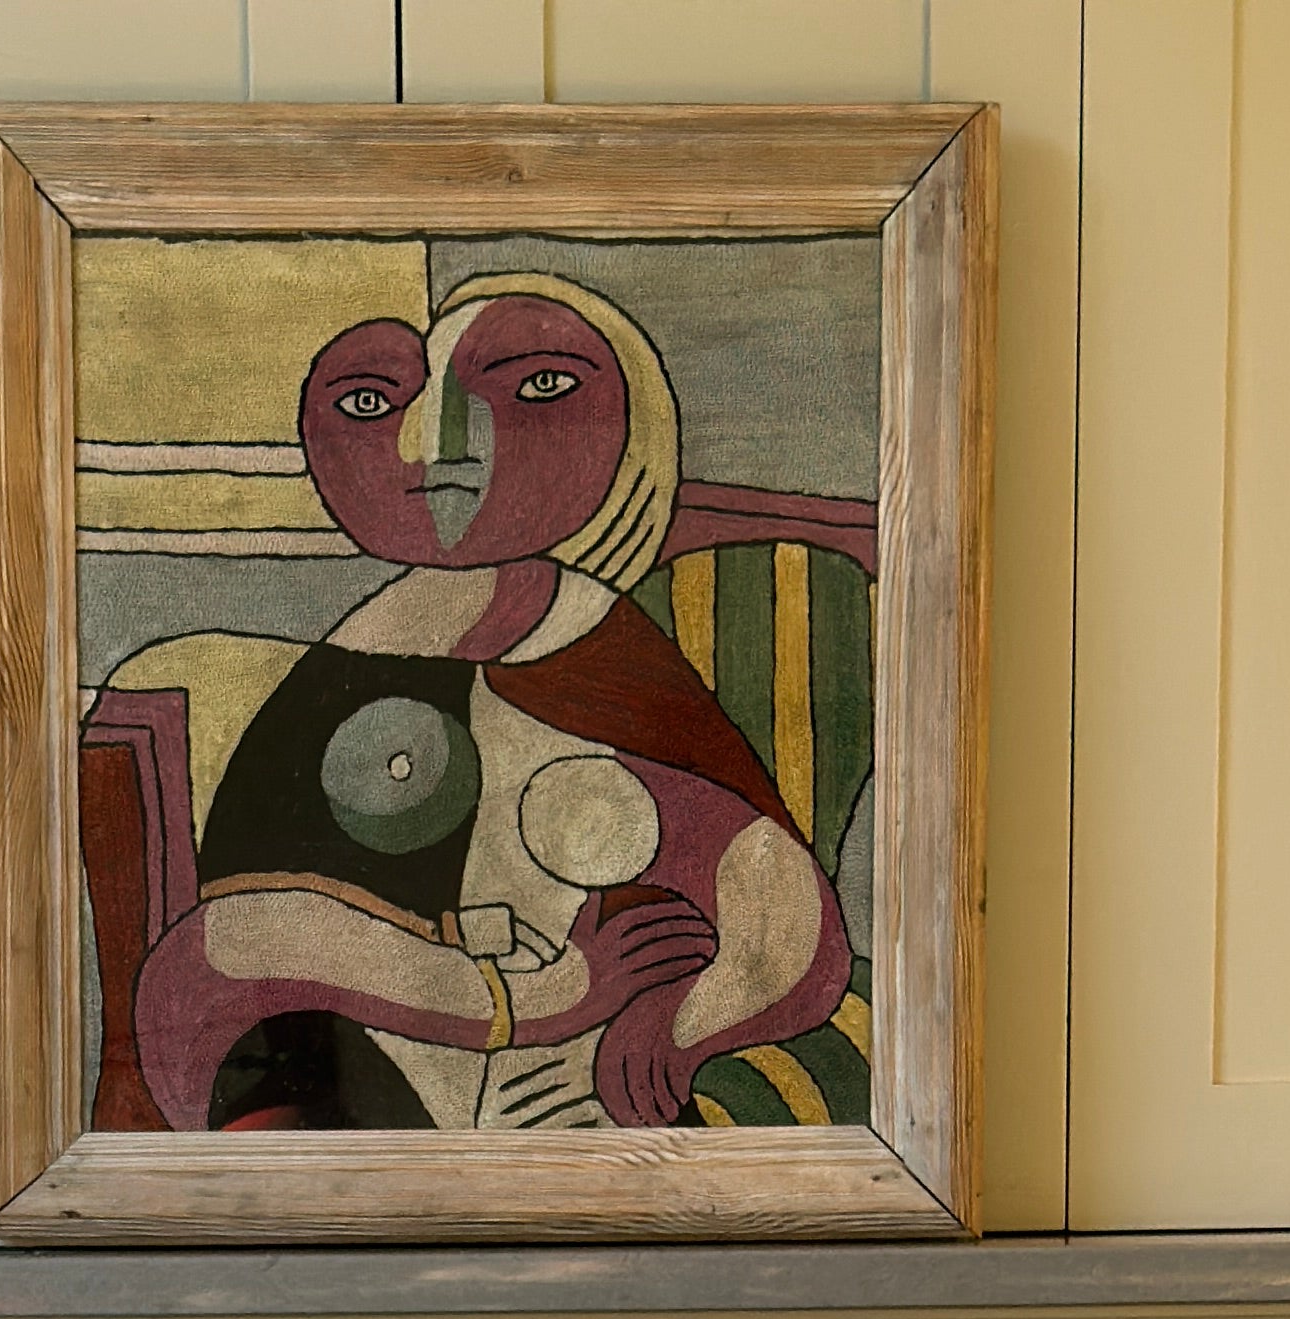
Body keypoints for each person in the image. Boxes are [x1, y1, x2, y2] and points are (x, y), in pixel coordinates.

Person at [123, 274, 852, 1133]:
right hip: (378, 1094)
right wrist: (538, 997)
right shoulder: (352, 664)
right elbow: (228, 953)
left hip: (581, 1106)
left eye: (537, 388)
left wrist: (683, 1024)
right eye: (369, 401)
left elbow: (781, 907)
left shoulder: (599, 648)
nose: (439, 447)